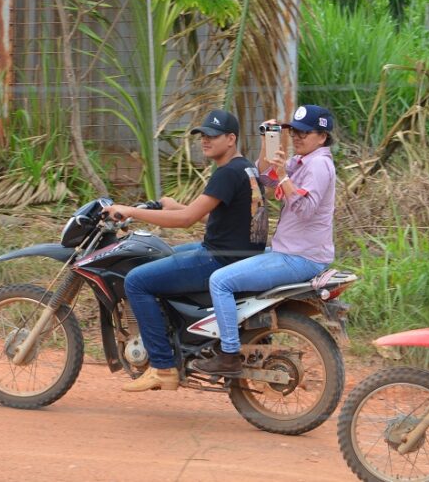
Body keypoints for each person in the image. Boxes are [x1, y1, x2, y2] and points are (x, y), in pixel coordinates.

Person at [102, 109, 267, 392]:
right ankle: (182, 338)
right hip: (237, 253)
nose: (205, 140)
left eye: (212, 136)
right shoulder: (245, 168)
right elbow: (214, 217)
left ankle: (163, 366)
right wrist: (176, 205)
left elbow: (186, 221)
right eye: (202, 135)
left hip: (219, 259)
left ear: (231, 139)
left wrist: (130, 211)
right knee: (165, 257)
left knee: (137, 281)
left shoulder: (226, 174)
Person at [192, 105, 337, 376]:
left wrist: (283, 175)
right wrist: (266, 150)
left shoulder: (318, 165)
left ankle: (229, 355)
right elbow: (261, 180)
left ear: (323, 137)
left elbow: (305, 209)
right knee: (241, 261)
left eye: (304, 133)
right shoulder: (303, 160)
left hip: (299, 258)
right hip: (292, 251)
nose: (296, 137)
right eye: (293, 131)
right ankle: (254, 338)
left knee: (220, 281)